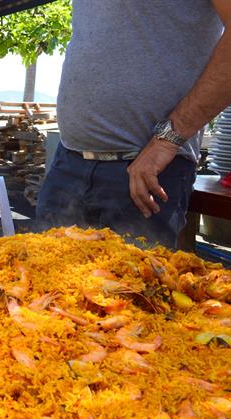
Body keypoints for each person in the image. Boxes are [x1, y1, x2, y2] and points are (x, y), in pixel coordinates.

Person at [36, 1, 231, 247]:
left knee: (136, 283)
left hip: (145, 172)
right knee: (44, 280)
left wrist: (167, 140)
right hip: (68, 164)